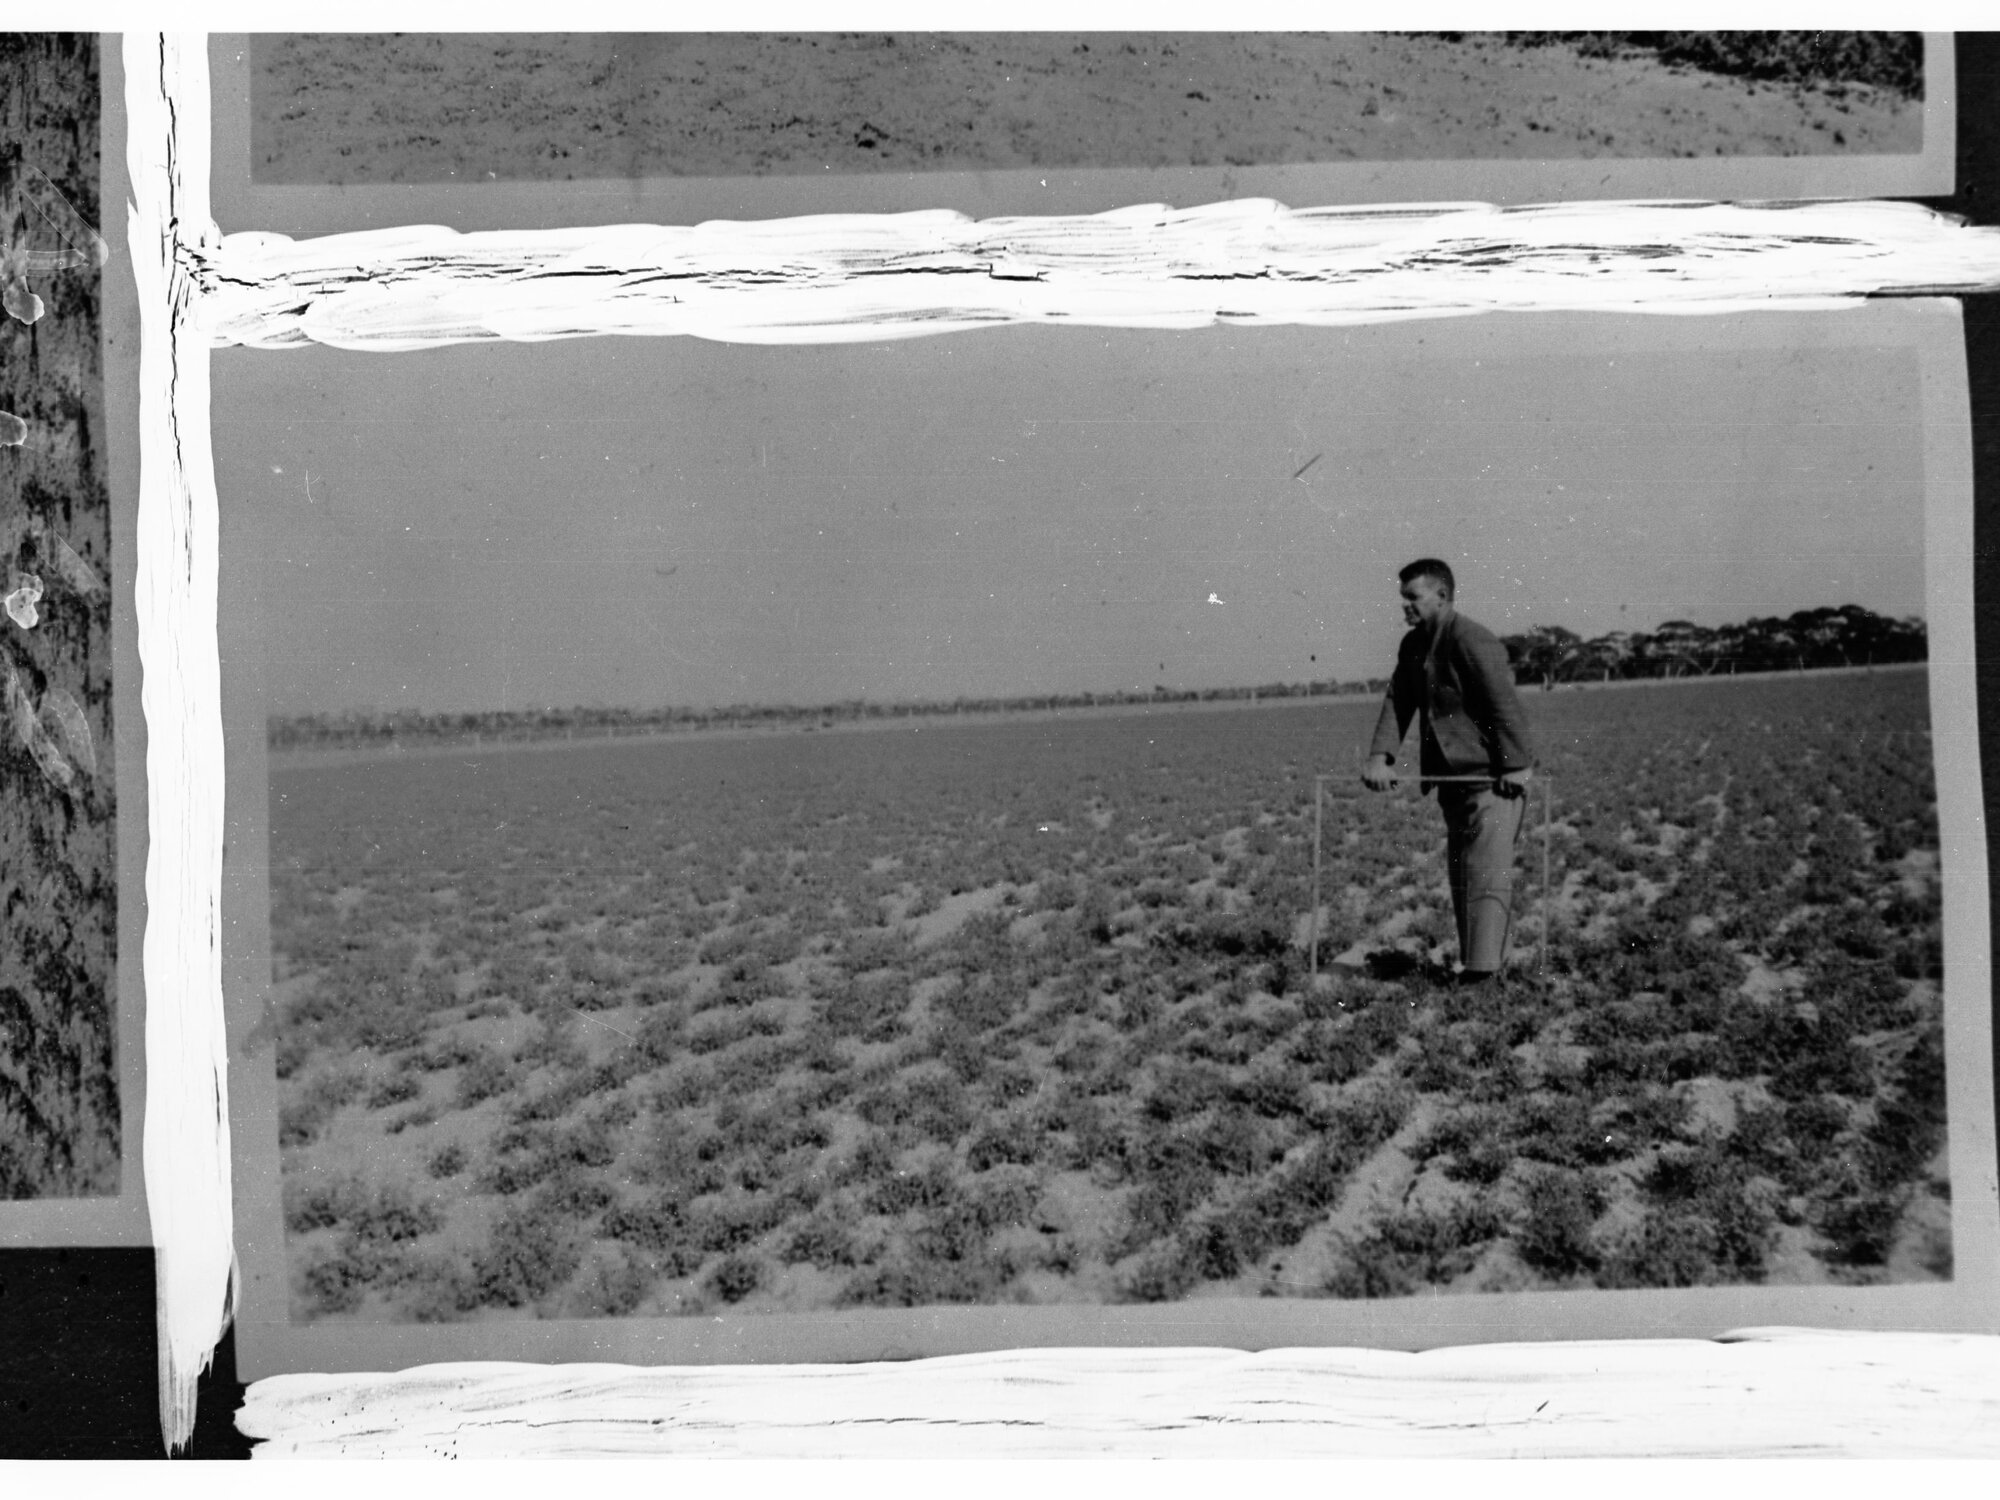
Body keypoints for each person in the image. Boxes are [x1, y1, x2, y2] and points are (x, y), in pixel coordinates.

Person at [1361, 559, 1535, 983]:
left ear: (1441, 595)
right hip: (1451, 782)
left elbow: (1503, 705)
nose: (1405, 607)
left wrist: (1515, 766)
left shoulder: (1471, 639)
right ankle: (1487, 965)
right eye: (1403, 598)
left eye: (1412, 597)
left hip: (1493, 780)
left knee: (1485, 872)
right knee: (1464, 874)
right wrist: (1382, 755)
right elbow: (1399, 700)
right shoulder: (1413, 645)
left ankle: (1483, 975)